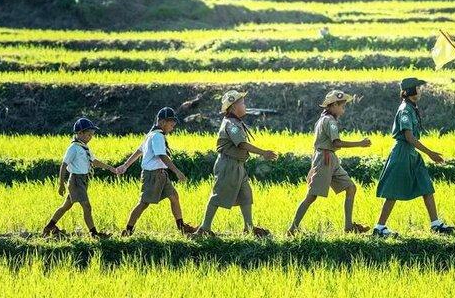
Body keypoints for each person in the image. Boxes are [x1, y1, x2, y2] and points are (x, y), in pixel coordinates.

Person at [373, 77, 455, 238]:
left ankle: (435, 224)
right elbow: (409, 136)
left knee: (426, 185)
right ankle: (379, 228)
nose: (420, 90)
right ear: (410, 91)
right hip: (403, 153)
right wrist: (430, 153)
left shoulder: (411, 108)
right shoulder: (405, 109)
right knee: (393, 191)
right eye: (418, 87)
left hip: (412, 153)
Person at [287, 90, 372, 236]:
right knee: (311, 196)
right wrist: (360, 143)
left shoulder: (324, 119)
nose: (343, 109)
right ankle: (292, 229)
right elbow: (337, 142)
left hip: (330, 159)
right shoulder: (329, 121)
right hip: (325, 160)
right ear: (333, 105)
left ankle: (349, 226)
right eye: (342, 106)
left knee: (351, 188)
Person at [195, 90, 277, 237]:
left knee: (246, 195)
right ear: (233, 107)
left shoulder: (235, 122)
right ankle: (204, 228)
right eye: (242, 103)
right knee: (218, 195)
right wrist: (263, 152)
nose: (245, 106)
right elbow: (241, 144)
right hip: (228, 165)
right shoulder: (231, 124)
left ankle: (249, 227)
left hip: (238, 165)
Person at [116, 107, 196, 237]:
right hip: (152, 175)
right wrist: (177, 171)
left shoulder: (151, 134)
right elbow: (162, 156)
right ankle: (128, 230)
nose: (172, 128)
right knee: (143, 203)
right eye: (171, 125)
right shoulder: (157, 136)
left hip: (161, 174)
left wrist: (125, 165)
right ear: (163, 122)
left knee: (174, 196)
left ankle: (181, 227)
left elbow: (139, 151)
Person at [43, 117, 116, 238]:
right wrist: (61, 184)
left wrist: (110, 168)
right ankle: (94, 234)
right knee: (87, 207)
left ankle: (49, 227)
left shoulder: (84, 147)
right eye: (88, 134)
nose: (90, 137)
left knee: (66, 206)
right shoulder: (73, 148)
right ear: (79, 133)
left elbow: (94, 161)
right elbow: (63, 165)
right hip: (76, 180)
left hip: (83, 180)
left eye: (92, 135)